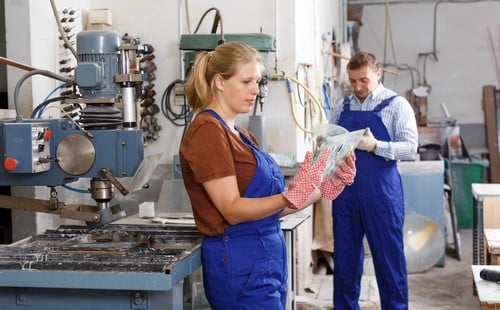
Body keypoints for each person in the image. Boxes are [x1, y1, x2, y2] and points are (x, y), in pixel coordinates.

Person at [179, 41, 356, 310]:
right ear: (220, 82)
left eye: (258, 82)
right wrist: (286, 197)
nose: (255, 90)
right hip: (239, 262)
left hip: (264, 258)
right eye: (246, 81)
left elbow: (271, 209)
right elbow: (233, 210)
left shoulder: (243, 135)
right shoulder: (207, 132)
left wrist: (328, 185)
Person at [329, 52, 418, 310]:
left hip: (382, 195)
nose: (357, 87)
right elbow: (330, 144)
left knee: (388, 262)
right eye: (353, 81)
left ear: (378, 73)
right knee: (345, 263)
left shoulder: (396, 106)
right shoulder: (341, 107)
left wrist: (376, 145)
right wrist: (324, 146)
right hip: (345, 195)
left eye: (363, 80)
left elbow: (411, 149)